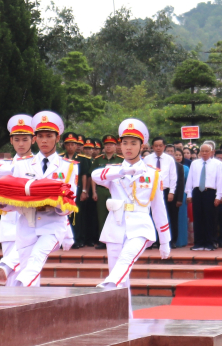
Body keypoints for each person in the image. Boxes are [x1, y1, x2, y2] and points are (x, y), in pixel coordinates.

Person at [92, 118, 170, 318]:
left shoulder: (153, 174)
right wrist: (123, 171)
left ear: (142, 145)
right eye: (124, 143)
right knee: (121, 275)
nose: (128, 147)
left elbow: (159, 208)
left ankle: (110, 281)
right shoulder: (114, 172)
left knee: (126, 259)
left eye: (133, 143)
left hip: (141, 225)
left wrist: (165, 241)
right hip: (116, 224)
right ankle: (123, 319)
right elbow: (95, 175)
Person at [0, 110, 78, 287]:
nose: (44, 140)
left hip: (52, 224)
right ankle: (25, 301)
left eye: (49, 136)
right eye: (40, 136)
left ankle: (19, 282)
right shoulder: (22, 165)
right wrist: (2, 203)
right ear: (35, 138)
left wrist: (55, 204)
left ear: (57, 138)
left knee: (36, 258)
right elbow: (14, 202)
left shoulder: (68, 167)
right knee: (29, 274)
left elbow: (70, 203)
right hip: (26, 226)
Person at [0, 114, 36, 258]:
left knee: (29, 272)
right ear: (11, 141)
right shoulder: (6, 164)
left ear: (33, 140)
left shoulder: (40, 165)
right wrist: (14, 168)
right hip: (9, 225)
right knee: (9, 274)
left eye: (25, 139)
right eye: (17, 140)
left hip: (33, 225)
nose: (21, 144)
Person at [173, 146, 189, 248]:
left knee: (181, 219)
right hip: (170, 194)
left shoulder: (186, 168)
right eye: (176, 155)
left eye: (180, 155)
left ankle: (181, 241)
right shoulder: (169, 166)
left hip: (182, 194)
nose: (178, 157)